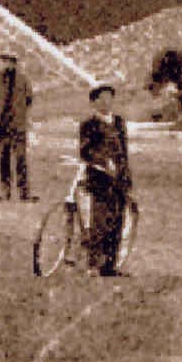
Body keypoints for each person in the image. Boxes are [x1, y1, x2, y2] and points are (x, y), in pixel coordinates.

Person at [78, 83, 133, 276]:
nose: (107, 102)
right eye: (102, 98)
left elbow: (124, 152)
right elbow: (85, 151)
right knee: (99, 223)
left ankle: (110, 266)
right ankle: (94, 265)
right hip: (99, 179)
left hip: (118, 180)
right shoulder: (89, 124)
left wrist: (126, 177)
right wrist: (103, 162)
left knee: (117, 222)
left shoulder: (119, 122)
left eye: (110, 98)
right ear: (94, 102)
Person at [0, 49, 34, 201]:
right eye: (5, 60)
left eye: (11, 61)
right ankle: (5, 192)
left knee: (21, 159)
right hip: (1, 127)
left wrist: (21, 114)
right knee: (3, 160)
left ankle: (23, 193)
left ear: (15, 63)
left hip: (18, 126)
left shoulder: (23, 80)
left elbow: (29, 99)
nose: (8, 64)